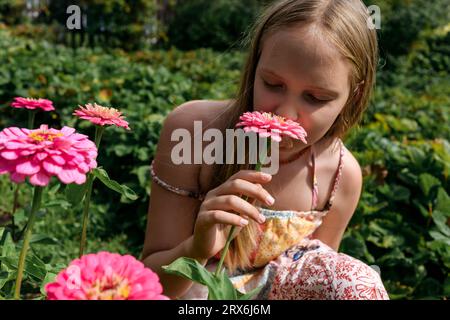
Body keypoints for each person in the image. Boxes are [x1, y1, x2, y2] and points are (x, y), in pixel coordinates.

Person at [141, 0, 389, 300]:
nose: (285, 113)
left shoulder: (340, 174)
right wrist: (197, 249)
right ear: (255, 64)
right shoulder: (196, 133)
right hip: (194, 294)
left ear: (355, 93)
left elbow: (318, 282)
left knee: (355, 282)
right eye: (273, 84)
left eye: (315, 97)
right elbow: (151, 284)